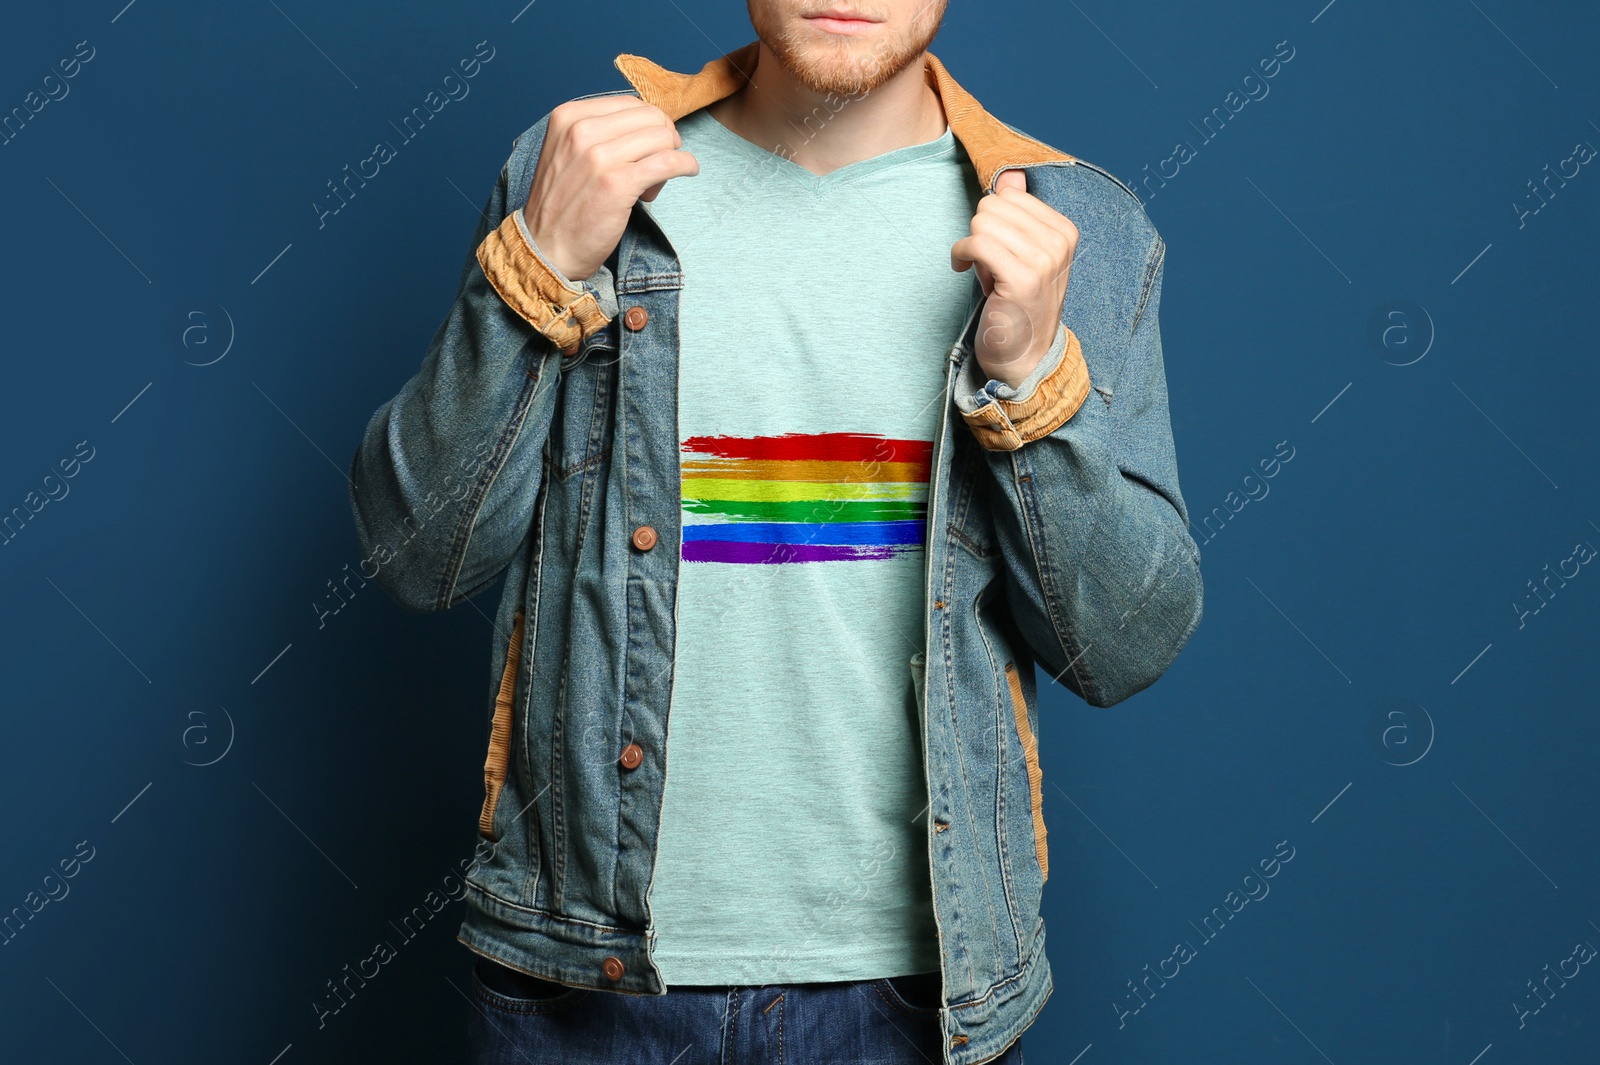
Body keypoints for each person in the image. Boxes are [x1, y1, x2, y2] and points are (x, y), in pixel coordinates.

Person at [348, 2, 1203, 1062]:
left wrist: (1030, 381)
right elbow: (413, 557)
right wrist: (537, 268)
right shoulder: (576, 167)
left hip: (916, 994)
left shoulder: (1076, 226)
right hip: (585, 978)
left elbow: (1122, 648)